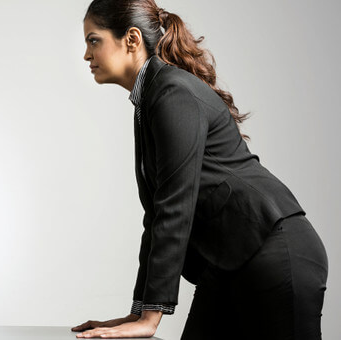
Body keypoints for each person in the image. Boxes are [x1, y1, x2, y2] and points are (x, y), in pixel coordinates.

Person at [72, 0, 328, 339]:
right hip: (232, 260)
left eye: (94, 40)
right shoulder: (152, 96)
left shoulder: (172, 92)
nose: (87, 55)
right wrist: (136, 313)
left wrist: (149, 320)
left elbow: (175, 207)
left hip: (275, 251)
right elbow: (157, 215)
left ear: (131, 39)